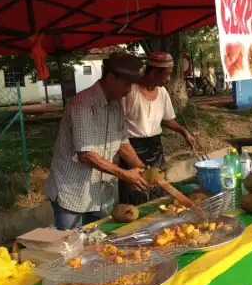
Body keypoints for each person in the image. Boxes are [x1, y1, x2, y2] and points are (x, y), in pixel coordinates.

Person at [45, 53, 149, 230]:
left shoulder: (115, 103)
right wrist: (125, 174)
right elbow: (86, 155)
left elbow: (122, 142)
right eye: (126, 84)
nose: (129, 90)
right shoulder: (82, 104)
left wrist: (143, 170)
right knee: (72, 249)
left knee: (100, 246)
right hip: (73, 193)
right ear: (110, 77)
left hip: (101, 194)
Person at [119, 52, 195, 205]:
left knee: (158, 192)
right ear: (153, 72)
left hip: (155, 148)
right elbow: (117, 125)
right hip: (132, 148)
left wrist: (183, 131)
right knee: (136, 193)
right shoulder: (130, 91)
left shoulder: (163, 92)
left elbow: (167, 119)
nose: (168, 79)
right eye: (166, 74)